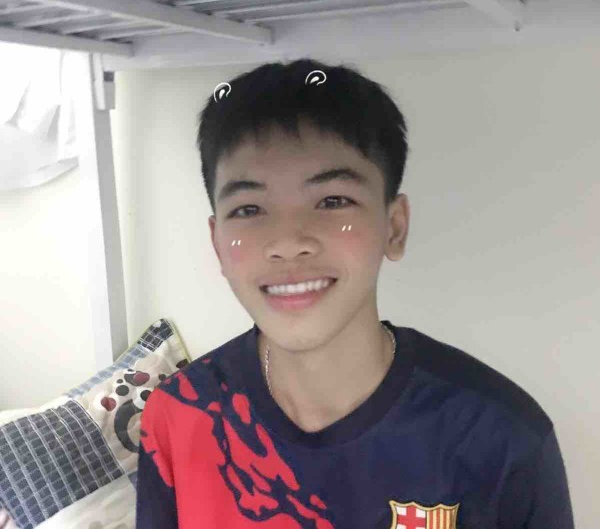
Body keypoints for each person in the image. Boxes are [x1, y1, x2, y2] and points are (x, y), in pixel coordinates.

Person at [135, 58, 574, 528]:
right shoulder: (178, 415)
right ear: (217, 242)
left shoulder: (500, 434)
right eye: (249, 209)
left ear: (394, 227)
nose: (288, 242)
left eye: (333, 201)